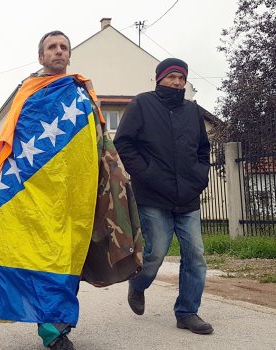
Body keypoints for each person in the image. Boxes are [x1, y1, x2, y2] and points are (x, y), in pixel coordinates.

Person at [0, 30, 105, 350]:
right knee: (38, 256)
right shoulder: (29, 92)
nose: (59, 52)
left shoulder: (81, 94)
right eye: (52, 47)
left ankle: (60, 320)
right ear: (41, 57)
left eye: (64, 47)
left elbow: (95, 141)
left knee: (67, 256)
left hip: (72, 194)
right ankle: (52, 332)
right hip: (33, 193)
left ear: (69, 55)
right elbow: (18, 139)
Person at [114, 58, 213, 335]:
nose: (177, 82)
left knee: (195, 255)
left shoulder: (192, 111)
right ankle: (138, 284)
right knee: (156, 252)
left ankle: (187, 312)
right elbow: (124, 142)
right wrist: (145, 174)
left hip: (188, 197)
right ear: (159, 79)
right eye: (171, 77)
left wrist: (200, 176)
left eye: (181, 78)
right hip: (153, 195)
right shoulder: (141, 104)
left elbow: (203, 149)